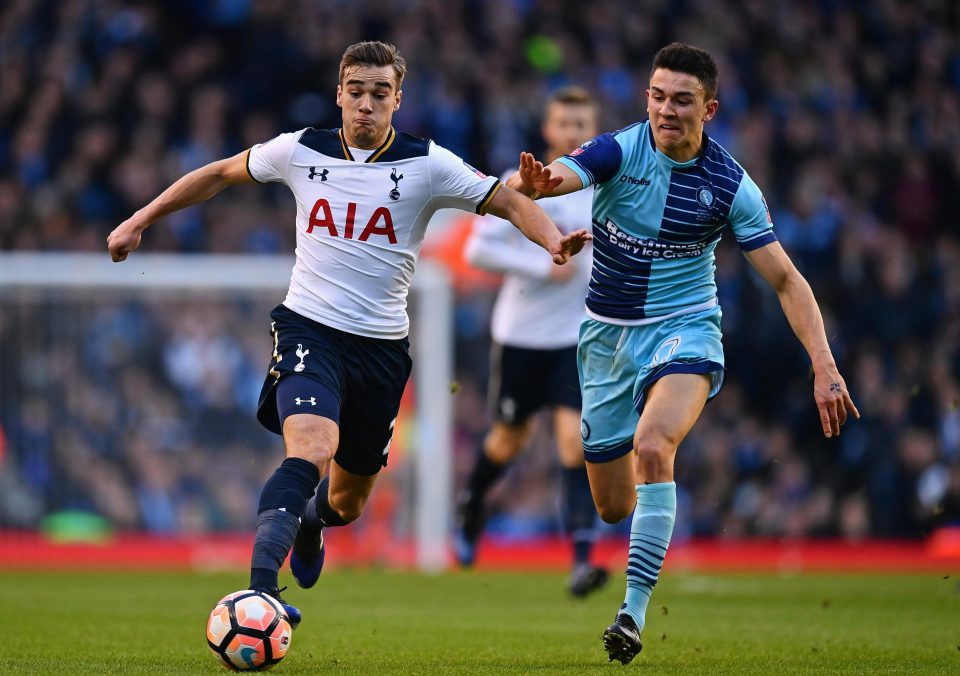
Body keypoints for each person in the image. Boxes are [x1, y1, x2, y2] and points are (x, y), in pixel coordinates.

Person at [107, 40, 590, 629]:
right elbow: (218, 175)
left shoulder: (428, 163)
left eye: (379, 94)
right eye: (355, 92)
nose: (366, 105)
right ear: (339, 93)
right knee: (310, 446)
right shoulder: (299, 150)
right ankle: (259, 592)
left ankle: (311, 520)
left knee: (346, 502)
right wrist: (138, 220)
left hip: (382, 349)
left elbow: (507, 199)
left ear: (397, 100)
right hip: (309, 325)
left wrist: (551, 240)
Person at [506, 42, 860, 664]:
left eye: (682, 100)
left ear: (710, 108)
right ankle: (643, 521)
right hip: (606, 340)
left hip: (686, 328)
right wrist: (540, 185)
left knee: (654, 446)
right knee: (613, 506)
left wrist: (825, 366)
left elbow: (786, 280)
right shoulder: (619, 148)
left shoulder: (730, 186)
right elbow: (562, 174)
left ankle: (631, 615)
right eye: (658, 96)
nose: (666, 110)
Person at [455, 86, 607, 597]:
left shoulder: (604, 187)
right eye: (564, 123)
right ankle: (472, 503)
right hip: (520, 336)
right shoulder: (521, 184)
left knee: (574, 441)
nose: (572, 132)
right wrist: (541, 263)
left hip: (574, 337)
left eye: (581, 124)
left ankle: (582, 559)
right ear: (548, 131)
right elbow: (476, 251)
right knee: (508, 440)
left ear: (594, 131)